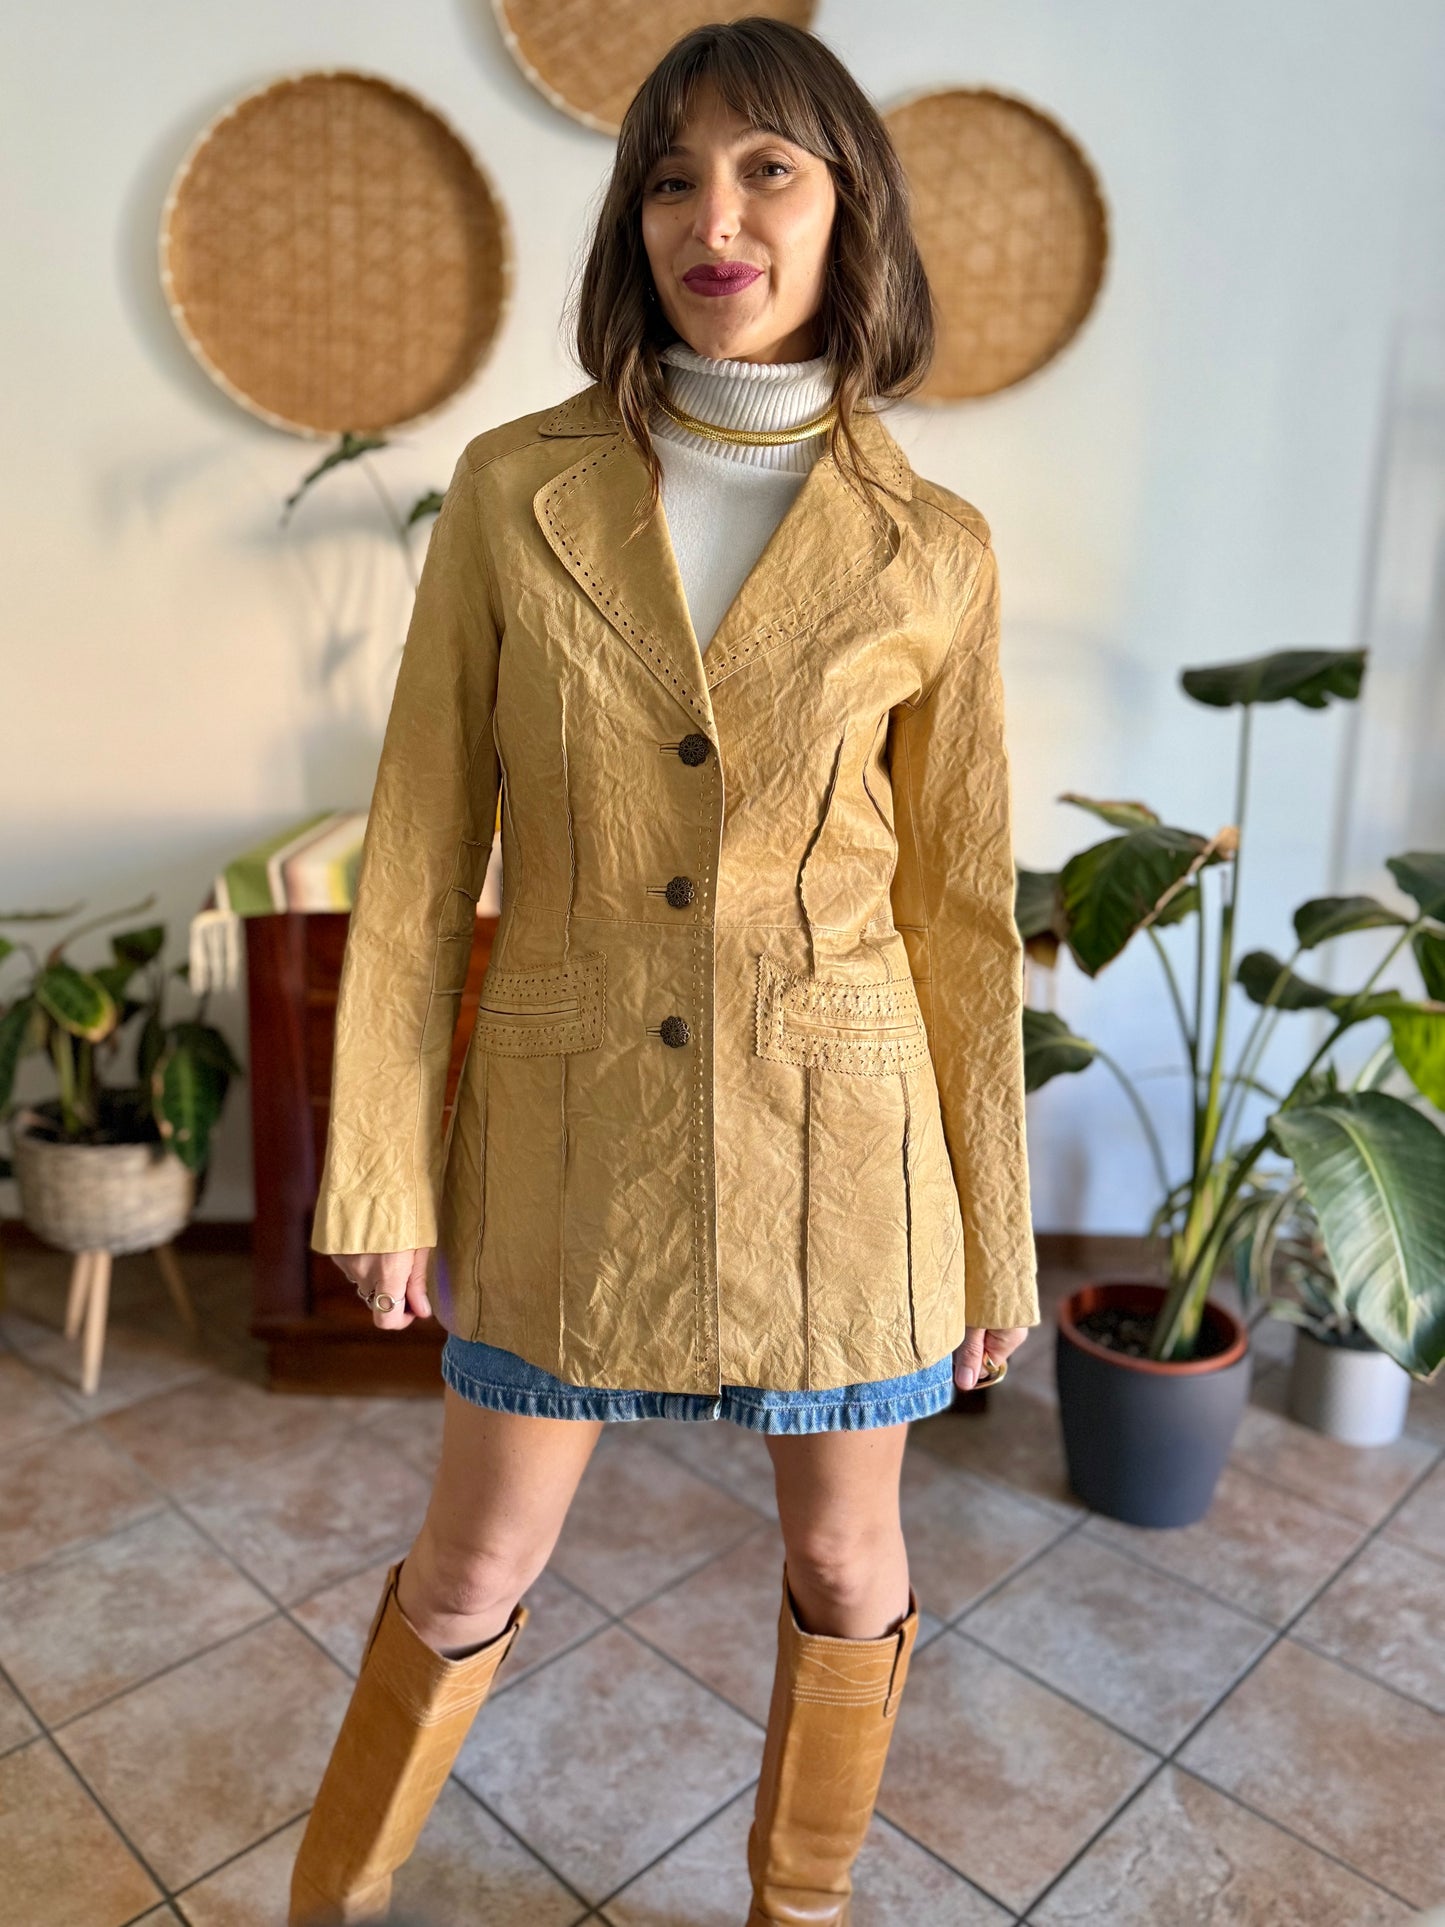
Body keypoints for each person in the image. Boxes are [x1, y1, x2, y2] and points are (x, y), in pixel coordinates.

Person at [289, 18, 1038, 1926]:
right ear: (630, 219)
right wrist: (378, 1162)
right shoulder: (509, 492)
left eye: (769, 168)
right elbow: (420, 845)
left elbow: (957, 908)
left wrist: (994, 1228)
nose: (716, 216)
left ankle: (801, 1907)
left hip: (845, 1152)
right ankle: (330, 1903)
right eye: (672, 175)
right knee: (464, 1574)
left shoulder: (931, 546)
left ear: (846, 203)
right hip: (562, 1134)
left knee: (850, 1571)